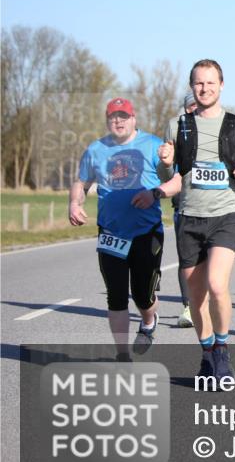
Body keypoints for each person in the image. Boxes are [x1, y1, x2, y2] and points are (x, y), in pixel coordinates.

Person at [159, 59, 235, 381]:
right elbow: (172, 176)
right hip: (189, 217)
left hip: (226, 215)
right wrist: (164, 166)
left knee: (217, 285)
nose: (205, 88)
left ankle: (223, 352)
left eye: (211, 83)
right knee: (195, 297)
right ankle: (207, 354)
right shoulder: (177, 126)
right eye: (199, 83)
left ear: (221, 85)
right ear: (192, 87)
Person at [69, 98, 181, 362]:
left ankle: (149, 320)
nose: (117, 121)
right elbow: (81, 182)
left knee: (142, 294)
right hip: (110, 233)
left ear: (134, 118)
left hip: (146, 231)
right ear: (107, 120)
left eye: (123, 116)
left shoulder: (154, 145)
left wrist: (155, 193)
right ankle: (122, 355)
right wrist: (74, 203)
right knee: (116, 295)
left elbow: (177, 181)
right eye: (112, 117)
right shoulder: (96, 149)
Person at [171, 92, 198, 328]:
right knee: (186, 259)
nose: (194, 110)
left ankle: (207, 298)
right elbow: (165, 170)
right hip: (182, 205)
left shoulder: (218, 130)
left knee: (209, 261)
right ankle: (189, 306)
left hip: (213, 208)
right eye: (190, 106)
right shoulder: (177, 131)